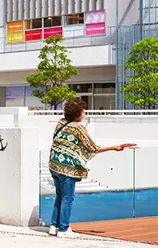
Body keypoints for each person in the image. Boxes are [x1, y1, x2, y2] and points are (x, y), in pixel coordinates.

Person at [48, 99, 135, 237]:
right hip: (66, 168)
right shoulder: (78, 128)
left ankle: (54, 226)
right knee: (67, 198)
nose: (84, 113)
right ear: (77, 114)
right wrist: (113, 148)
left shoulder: (61, 123)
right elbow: (92, 148)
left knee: (59, 196)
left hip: (54, 164)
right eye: (83, 111)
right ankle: (63, 229)